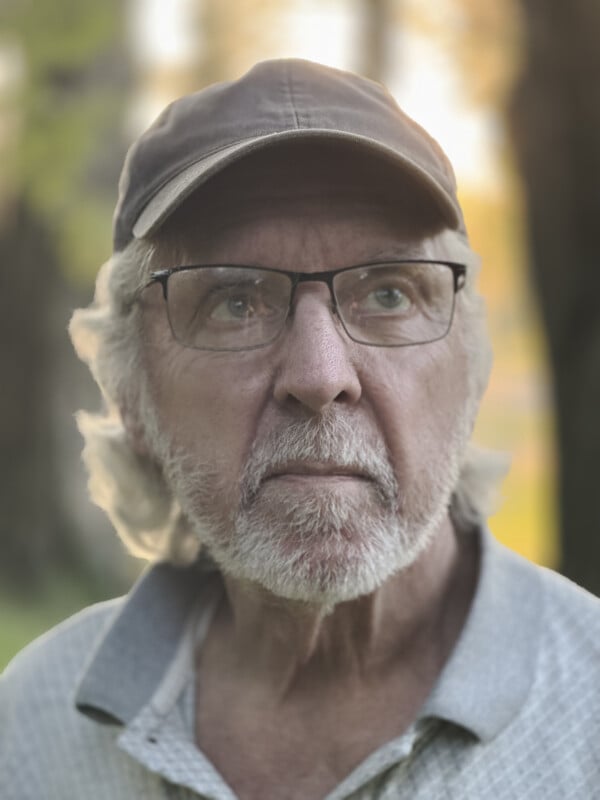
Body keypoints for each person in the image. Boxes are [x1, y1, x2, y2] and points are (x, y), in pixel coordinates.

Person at [1, 58, 598, 800]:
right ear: (131, 393)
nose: (320, 376)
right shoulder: (29, 722)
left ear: (469, 371)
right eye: (233, 302)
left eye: (388, 292)